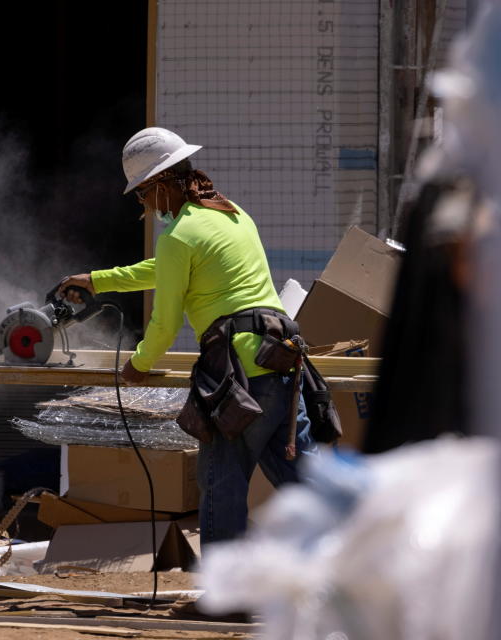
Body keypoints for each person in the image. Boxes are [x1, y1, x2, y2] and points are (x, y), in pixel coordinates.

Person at [57, 126, 317, 545]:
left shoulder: (179, 237)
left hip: (238, 379)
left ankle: (222, 598)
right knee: (305, 488)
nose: (143, 205)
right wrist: (97, 281)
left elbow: (165, 322)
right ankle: (347, 580)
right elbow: (165, 269)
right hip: (281, 364)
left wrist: (138, 365)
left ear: (160, 184)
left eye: (142, 194)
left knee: (221, 484)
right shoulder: (233, 214)